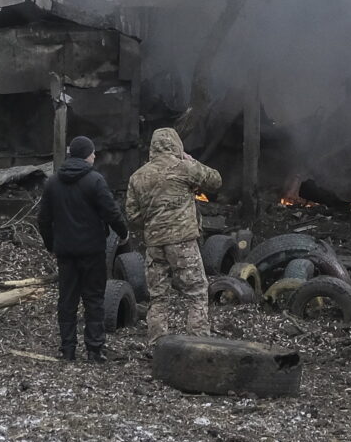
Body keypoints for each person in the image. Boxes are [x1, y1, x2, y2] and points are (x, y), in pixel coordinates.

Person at [124, 127, 221, 342]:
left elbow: (132, 215)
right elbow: (215, 181)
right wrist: (191, 161)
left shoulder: (137, 177)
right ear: (176, 144)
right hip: (183, 242)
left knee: (158, 297)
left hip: (155, 244)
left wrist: (153, 225)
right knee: (196, 292)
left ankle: (158, 346)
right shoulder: (184, 167)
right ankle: (198, 343)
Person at [38, 135, 130, 361]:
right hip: (92, 251)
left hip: (66, 252)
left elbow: (43, 220)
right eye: (92, 153)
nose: (95, 156)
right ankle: (94, 350)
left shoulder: (53, 182)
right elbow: (111, 212)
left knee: (67, 301)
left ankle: (68, 349)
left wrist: (52, 244)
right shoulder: (95, 180)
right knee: (94, 300)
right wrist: (124, 232)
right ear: (87, 155)